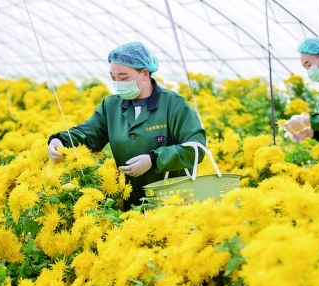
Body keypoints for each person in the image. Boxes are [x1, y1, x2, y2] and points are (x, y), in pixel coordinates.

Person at [48, 41, 206, 210]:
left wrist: (153, 159)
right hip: (128, 201)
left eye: (123, 77)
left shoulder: (174, 104)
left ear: (145, 73)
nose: (118, 83)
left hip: (170, 200)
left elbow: (196, 148)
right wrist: (60, 140)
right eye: (113, 78)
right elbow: (88, 133)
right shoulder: (110, 106)